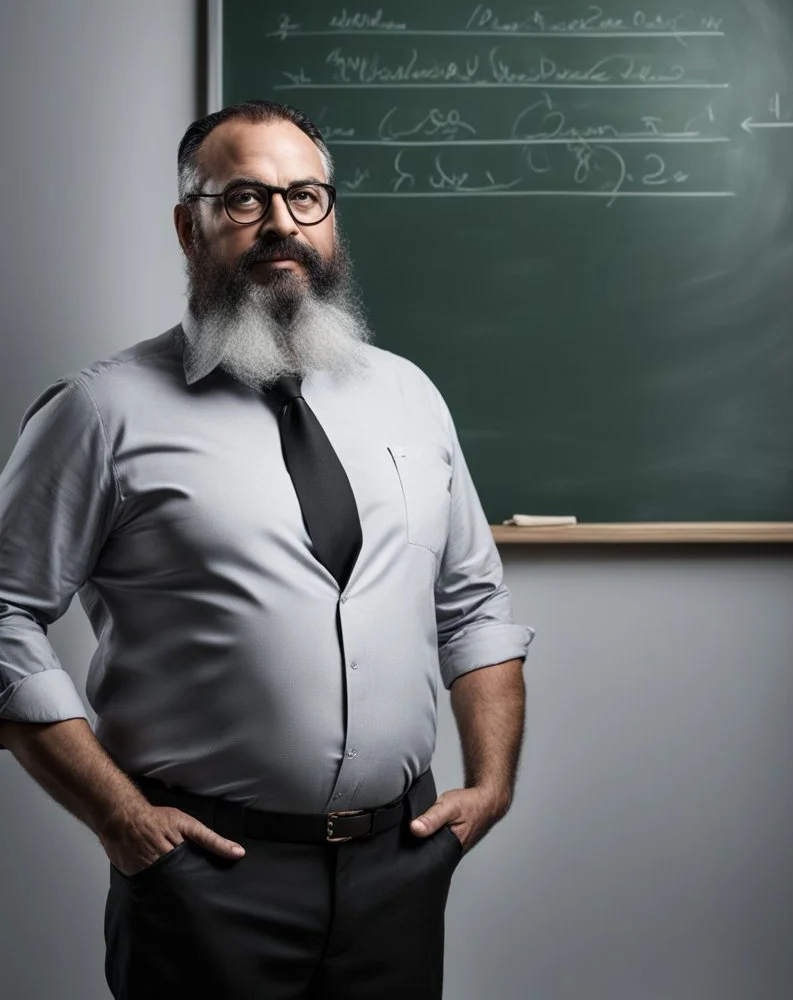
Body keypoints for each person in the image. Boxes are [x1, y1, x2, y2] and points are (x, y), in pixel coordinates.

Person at [0, 99, 534, 1000]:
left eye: (305, 196)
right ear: (189, 225)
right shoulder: (99, 411)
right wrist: (121, 818)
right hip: (206, 879)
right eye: (244, 197)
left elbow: (473, 606)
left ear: (331, 217)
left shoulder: (409, 395)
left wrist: (491, 788)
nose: (281, 223)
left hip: (398, 869)